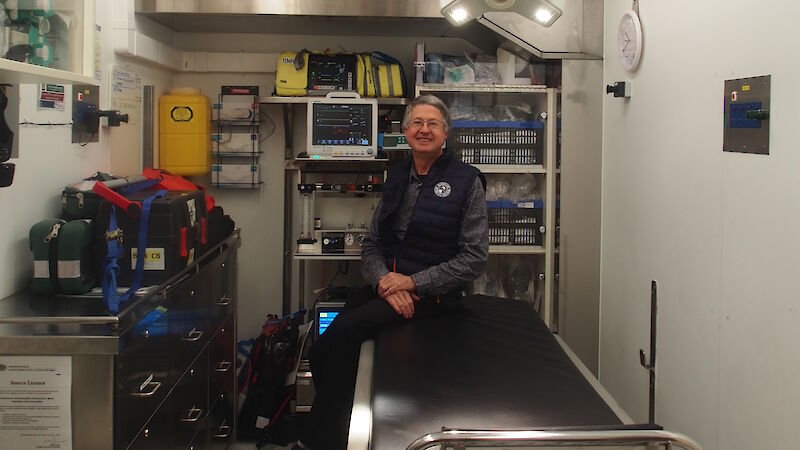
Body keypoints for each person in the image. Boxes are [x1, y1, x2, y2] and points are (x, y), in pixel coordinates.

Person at [295, 94, 489, 450]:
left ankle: (323, 441)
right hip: (389, 286)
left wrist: (415, 282)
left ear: (445, 133)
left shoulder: (467, 182)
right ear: (405, 131)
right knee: (322, 350)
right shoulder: (397, 176)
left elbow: (474, 258)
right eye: (417, 123)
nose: (424, 129)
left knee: (348, 334)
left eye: (433, 123)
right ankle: (342, 423)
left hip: (436, 296)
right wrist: (386, 281)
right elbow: (372, 243)